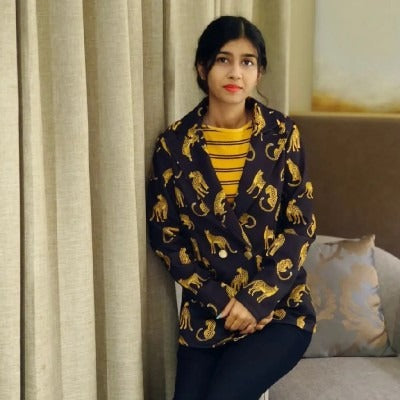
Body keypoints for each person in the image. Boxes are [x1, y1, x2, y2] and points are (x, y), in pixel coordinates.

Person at [147, 15, 317, 400]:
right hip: (208, 316)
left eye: (247, 62)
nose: (235, 72)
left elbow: (301, 224)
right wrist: (224, 303)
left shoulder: (283, 134)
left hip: (279, 310)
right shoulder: (173, 145)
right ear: (201, 68)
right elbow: (166, 238)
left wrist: (256, 300)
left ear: (259, 72)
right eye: (224, 59)